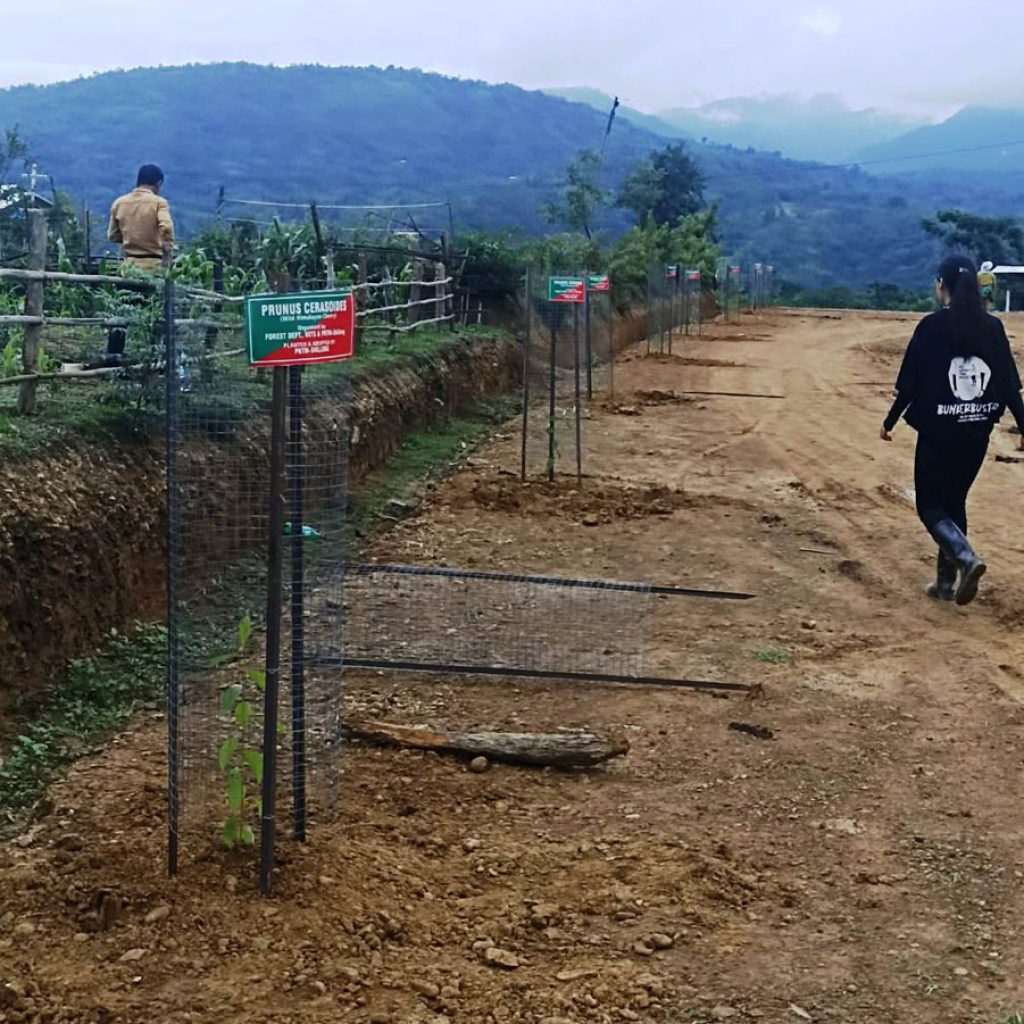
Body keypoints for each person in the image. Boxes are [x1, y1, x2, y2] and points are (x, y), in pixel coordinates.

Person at [880, 254, 1024, 605]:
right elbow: (1009, 387)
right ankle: (944, 584)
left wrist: (889, 421)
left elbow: (910, 386)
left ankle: (965, 557)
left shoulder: (930, 327)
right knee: (955, 501)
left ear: (941, 285)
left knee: (930, 506)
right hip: (976, 432)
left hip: (938, 433)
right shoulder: (992, 327)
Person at [104, 164, 174, 360]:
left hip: (129, 266)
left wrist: (130, 238)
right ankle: (151, 357)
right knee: (154, 316)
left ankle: (114, 356)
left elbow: (112, 235)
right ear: (158, 183)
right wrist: (167, 250)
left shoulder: (120, 203)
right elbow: (166, 227)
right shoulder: (159, 203)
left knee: (122, 313)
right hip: (152, 266)